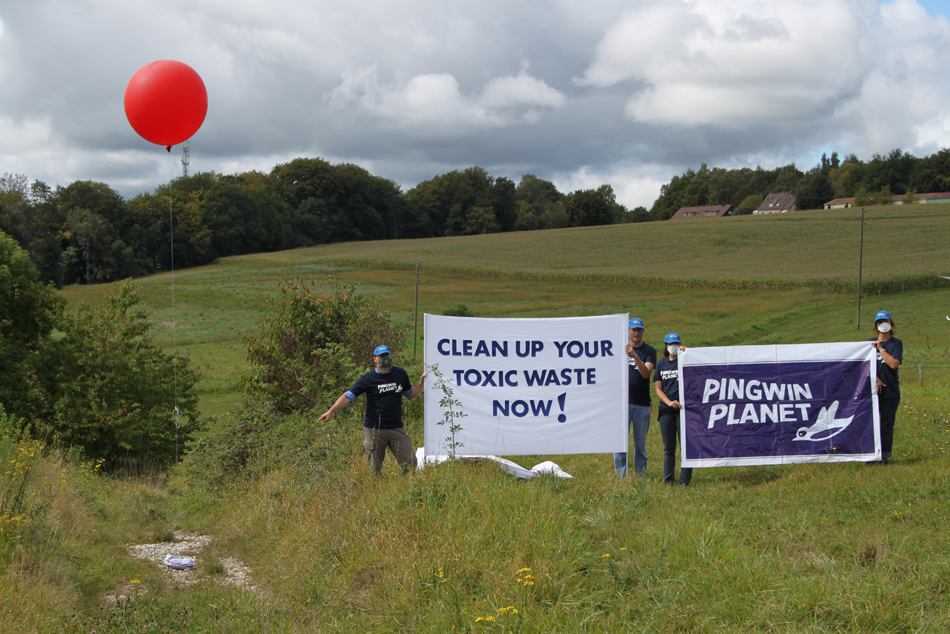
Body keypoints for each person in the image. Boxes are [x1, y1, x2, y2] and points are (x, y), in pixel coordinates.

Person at [318, 345, 426, 475]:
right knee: (374, 471)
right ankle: (379, 491)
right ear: (375, 359)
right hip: (374, 429)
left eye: (387, 355)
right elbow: (348, 396)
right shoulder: (368, 379)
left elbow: (410, 395)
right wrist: (331, 411)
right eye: (381, 356)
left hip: (396, 427)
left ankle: (404, 488)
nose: (385, 358)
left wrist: (421, 384)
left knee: (411, 464)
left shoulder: (400, 374)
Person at [614, 317, 657, 477]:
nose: (636, 333)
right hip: (622, 404)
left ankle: (641, 476)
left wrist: (634, 356)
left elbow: (646, 373)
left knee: (640, 444)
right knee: (620, 443)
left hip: (642, 404)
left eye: (639, 330)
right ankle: (620, 476)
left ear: (643, 331)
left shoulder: (649, 351)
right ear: (629, 331)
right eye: (633, 330)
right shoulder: (619, 349)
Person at [654, 333, 692, 486]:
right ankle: (668, 480)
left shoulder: (685, 360)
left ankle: (685, 481)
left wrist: (687, 352)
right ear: (666, 346)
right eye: (670, 344)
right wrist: (669, 402)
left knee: (686, 447)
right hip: (666, 411)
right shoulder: (661, 364)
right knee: (669, 448)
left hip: (684, 410)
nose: (673, 346)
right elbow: (658, 389)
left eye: (676, 343)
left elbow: (699, 360)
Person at [869, 310, 902, 463]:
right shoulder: (868, 343)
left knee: (886, 425)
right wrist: (875, 378)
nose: (883, 325)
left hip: (891, 392)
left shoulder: (896, 343)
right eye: (879, 322)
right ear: (876, 326)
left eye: (886, 321)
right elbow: (862, 367)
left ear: (890, 323)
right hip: (871, 392)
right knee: (870, 424)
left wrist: (881, 348)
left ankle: (885, 457)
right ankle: (870, 455)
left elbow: (894, 364)